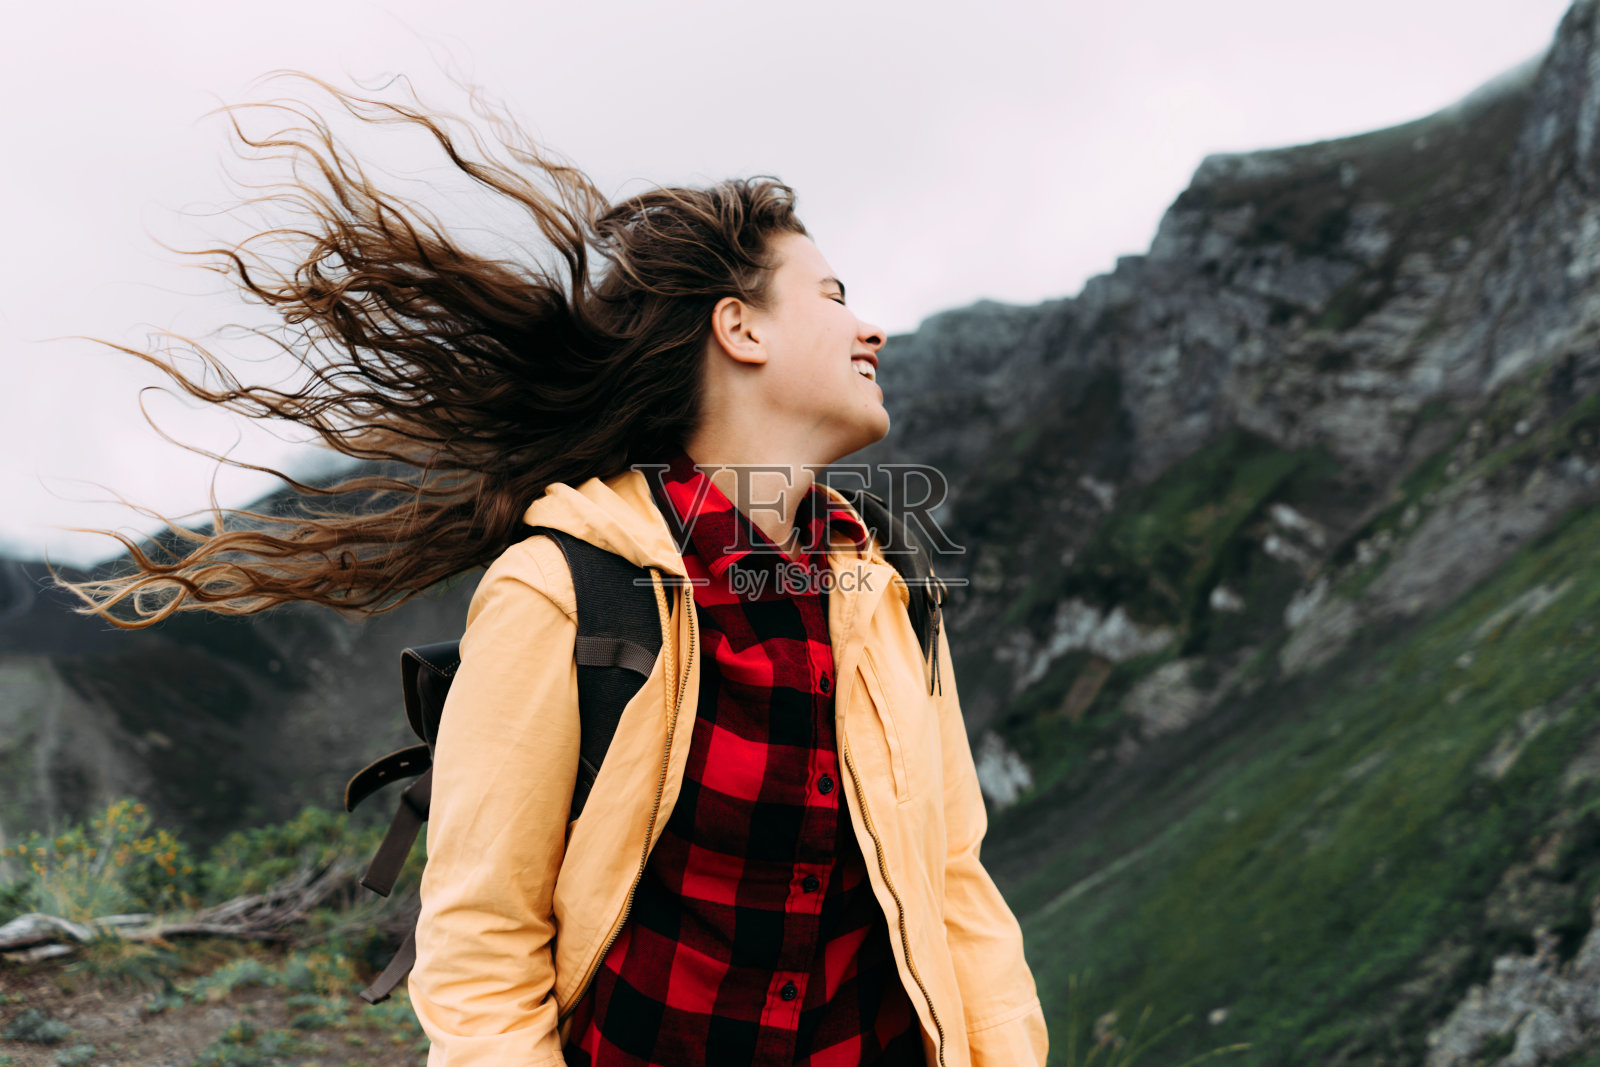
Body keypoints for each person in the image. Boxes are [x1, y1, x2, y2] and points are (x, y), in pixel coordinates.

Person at [63, 73, 1046, 1066]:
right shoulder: (567, 587)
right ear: (738, 328)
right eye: (833, 297)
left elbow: (954, 885)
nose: (869, 327)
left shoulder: (886, 594)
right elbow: (482, 943)